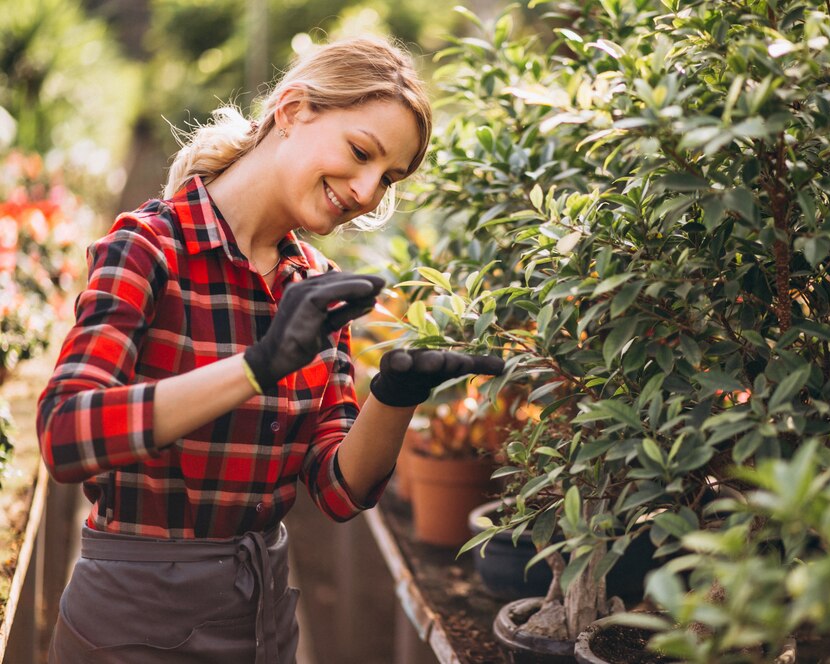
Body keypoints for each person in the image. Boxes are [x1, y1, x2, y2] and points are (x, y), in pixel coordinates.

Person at [36, 35, 504, 664]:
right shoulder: (150, 249)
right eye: (360, 152)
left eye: (388, 178)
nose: (367, 192)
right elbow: (65, 433)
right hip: (134, 624)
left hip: (263, 620)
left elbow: (338, 491)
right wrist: (258, 367)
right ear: (292, 110)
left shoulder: (314, 286)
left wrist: (395, 395)